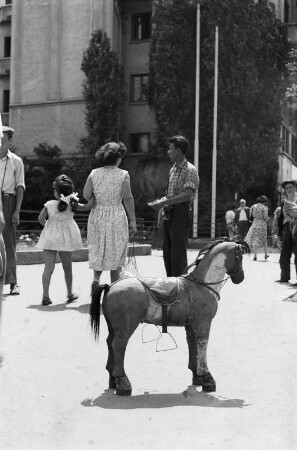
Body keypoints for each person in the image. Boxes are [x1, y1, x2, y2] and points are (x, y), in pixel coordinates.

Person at [83, 142, 137, 289]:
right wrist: (132, 220)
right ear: (118, 158)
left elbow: (86, 194)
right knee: (116, 251)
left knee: (99, 248)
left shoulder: (94, 173)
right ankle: (114, 289)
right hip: (116, 215)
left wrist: (95, 197)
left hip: (97, 215)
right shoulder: (123, 175)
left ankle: (96, 279)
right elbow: (127, 198)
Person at [37, 174, 94, 305]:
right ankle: (69, 294)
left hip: (50, 239)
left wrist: (48, 226)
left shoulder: (49, 205)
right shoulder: (73, 204)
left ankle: (45, 295)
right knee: (67, 269)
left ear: (56, 192)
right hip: (66, 240)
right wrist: (94, 197)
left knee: (48, 268)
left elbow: (40, 219)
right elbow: (87, 207)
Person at [148, 135, 199, 276]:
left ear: (179, 151)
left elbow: (188, 195)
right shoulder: (173, 169)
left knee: (178, 255)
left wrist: (164, 202)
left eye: (170, 149)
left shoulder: (190, 170)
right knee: (168, 253)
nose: (168, 152)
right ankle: (170, 284)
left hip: (181, 213)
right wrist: (160, 202)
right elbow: (171, 194)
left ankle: (180, 288)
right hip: (169, 213)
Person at [0, 124, 25, 295]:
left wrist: (16, 211)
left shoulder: (16, 161)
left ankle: (13, 282)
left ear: (9, 141)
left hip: (8, 201)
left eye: (2, 139)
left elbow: (20, 187)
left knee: (9, 243)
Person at [276, 180, 297, 283]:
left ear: (294, 188)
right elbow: (281, 219)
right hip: (286, 228)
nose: (289, 189)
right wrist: (279, 233)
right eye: (287, 188)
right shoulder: (284, 202)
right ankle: (284, 277)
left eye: (290, 187)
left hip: (296, 228)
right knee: (284, 255)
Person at [245, 195, 270, 261]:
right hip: (262, 224)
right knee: (264, 238)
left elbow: (250, 215)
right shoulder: (265, 207)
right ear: (264, 202)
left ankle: (255, 255)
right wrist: (268, 219)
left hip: (255, 223)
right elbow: (265, 217)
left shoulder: (253, 206)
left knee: (255, 239)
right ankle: (265, 254)